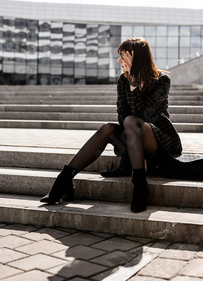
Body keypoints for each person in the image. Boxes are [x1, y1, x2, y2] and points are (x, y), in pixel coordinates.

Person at [40, 36, 183, 213]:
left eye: (123, 57)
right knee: (108, 128)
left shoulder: (162, 80)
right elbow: (122, 116)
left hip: (157, 141)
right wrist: (130, 82)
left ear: (135, 58)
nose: (119, 61)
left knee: (133, 121)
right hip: (131, 138)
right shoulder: (122, 80)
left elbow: (145, 115)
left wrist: (134, 84)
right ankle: (64, 180)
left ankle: (140, 186)